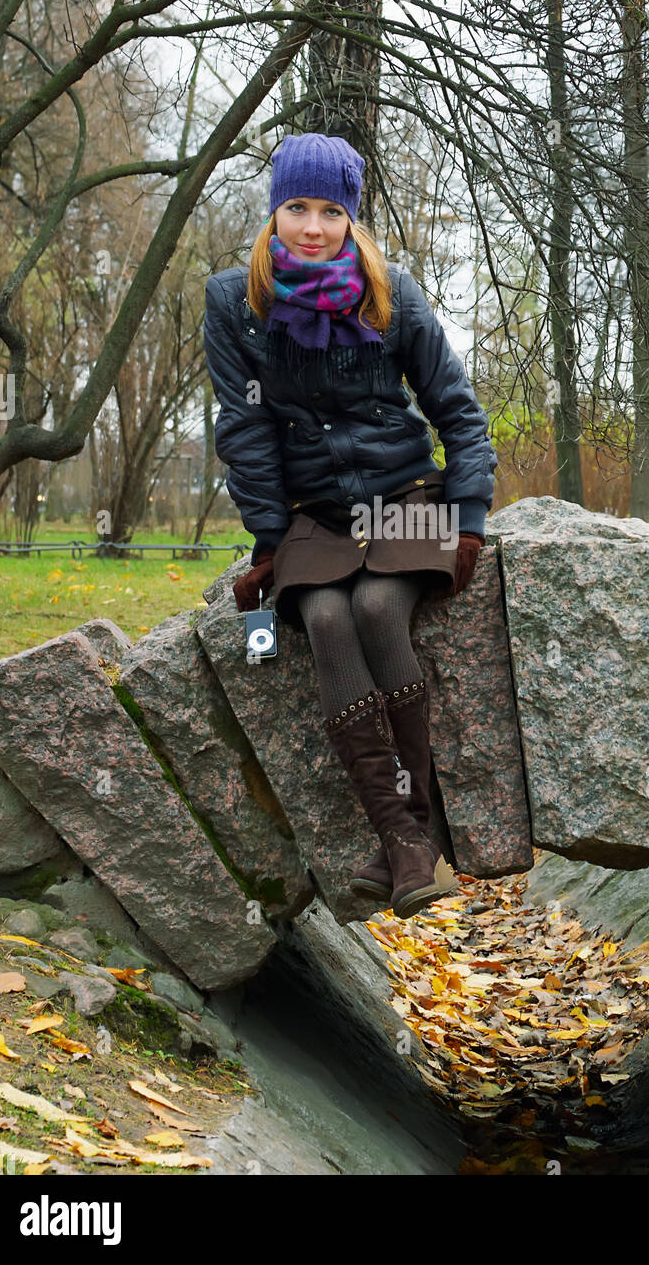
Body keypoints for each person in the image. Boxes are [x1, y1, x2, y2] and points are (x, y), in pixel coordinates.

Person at [203, 131, 498, 920]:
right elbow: (245, 432)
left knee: (374, 607)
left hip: (405, 498)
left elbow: (458, 414)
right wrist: (269, 540)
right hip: (312, 518)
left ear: (350, 217)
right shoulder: (235, 301)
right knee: (329, 616)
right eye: (296, 206)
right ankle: (407, 841)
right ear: (273, 210)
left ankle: (407, 837)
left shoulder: (390, 290)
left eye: (330, 210)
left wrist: (467, 521)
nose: (311, 225)